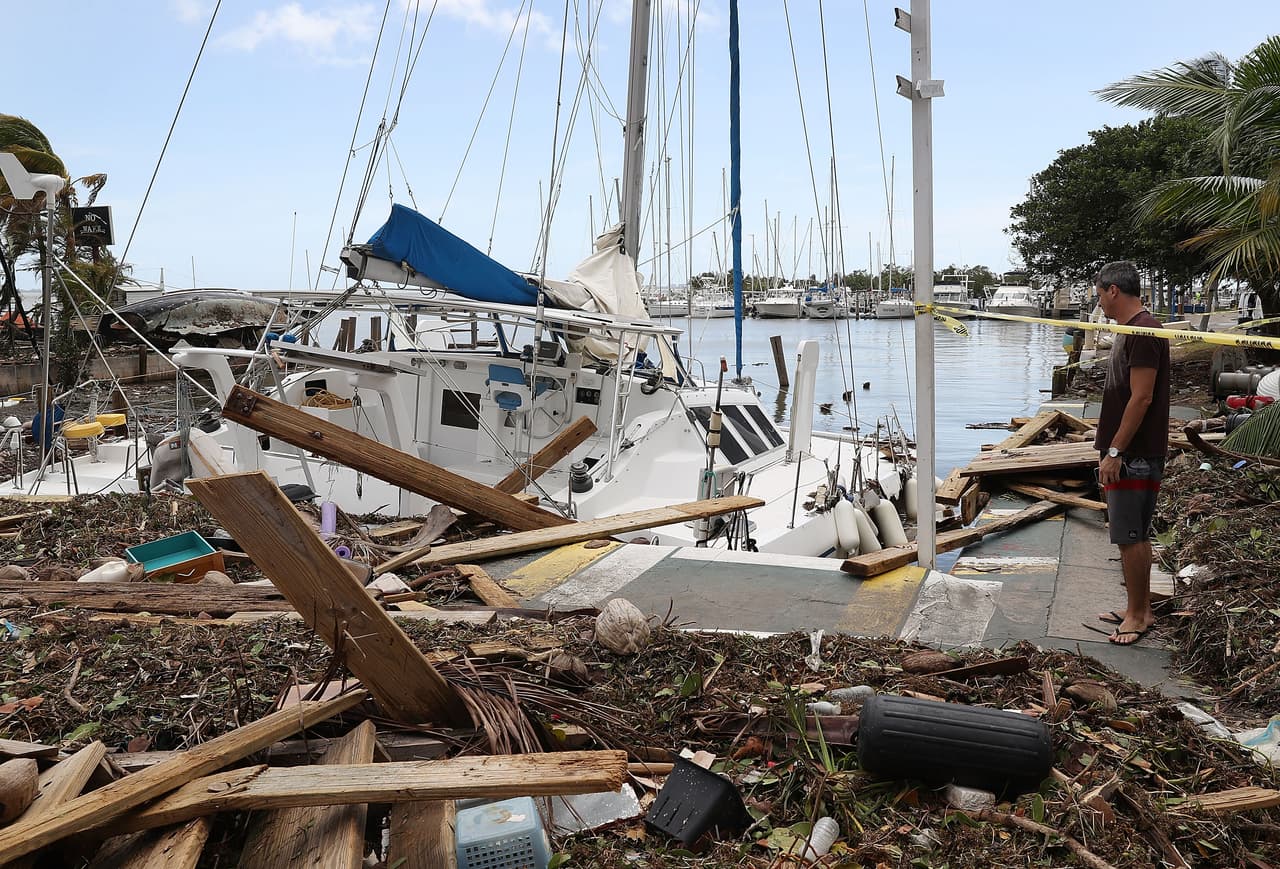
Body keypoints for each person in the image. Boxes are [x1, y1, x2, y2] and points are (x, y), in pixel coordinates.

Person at [1092, 261, 1170, 645]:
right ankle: (1137, 606)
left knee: (1131, 535)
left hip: (1134, 454)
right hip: (1131, 451)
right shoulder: (1135, 328)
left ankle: (1139, 616)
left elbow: (1142, 397)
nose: (1100, 303)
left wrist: (1115, 450)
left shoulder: (1143, 331)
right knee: (1130, 534)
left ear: (1113, 291)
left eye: (1100, 294)